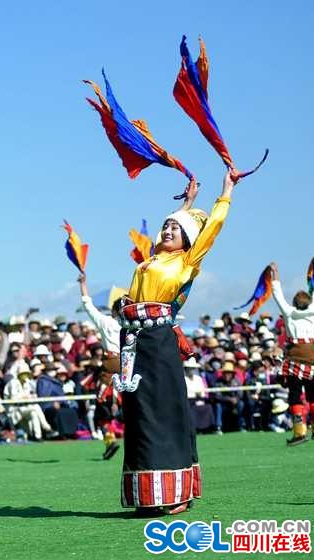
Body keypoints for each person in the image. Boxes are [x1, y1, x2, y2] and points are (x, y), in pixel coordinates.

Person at [117, 172, 238, 515]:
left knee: (164, 412)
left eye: (175, 229)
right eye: (165, 227)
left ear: (187, 239)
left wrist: (226, 190)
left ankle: (177, 494)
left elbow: (209, 229)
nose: (167, 231)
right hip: (133, 340)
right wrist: (186, 205)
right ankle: (148, 494)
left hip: (159, 340)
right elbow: (176, 229)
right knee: (140, 415)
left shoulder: (187, 262)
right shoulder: (149, 263)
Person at [270, 257, 314, 445]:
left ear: (294, 302)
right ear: (309, 303)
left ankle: (299, 432)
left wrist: (274, 275)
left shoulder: (288, 312)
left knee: (295, 394)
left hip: (295, 357)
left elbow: (277, 295)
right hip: (313, 356)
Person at [78, 273, 122, 459]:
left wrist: (83, 285)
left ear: (113, 311)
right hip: (131, 367)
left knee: (101, 411)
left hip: (110, 367)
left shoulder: (107, 322)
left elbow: (88, 306)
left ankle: (110, 440)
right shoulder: (135, 326)